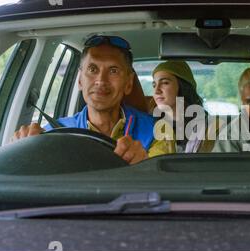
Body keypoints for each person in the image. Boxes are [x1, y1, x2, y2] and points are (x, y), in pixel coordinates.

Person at [12, 35, 168, 164]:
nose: (101, 80)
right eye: (93, 69)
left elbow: (167, 185)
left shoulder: (157, 130)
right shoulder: (52, 135)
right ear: (80, 80)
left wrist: (145, 165)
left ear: (129, 83)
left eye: (113, 70)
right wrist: (20, 149)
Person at [150, 60, 219, 154]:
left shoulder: (209, 128)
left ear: (183, 87)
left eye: (165, 83)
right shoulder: (149, 126)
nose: (156, 91)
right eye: (154, 85)